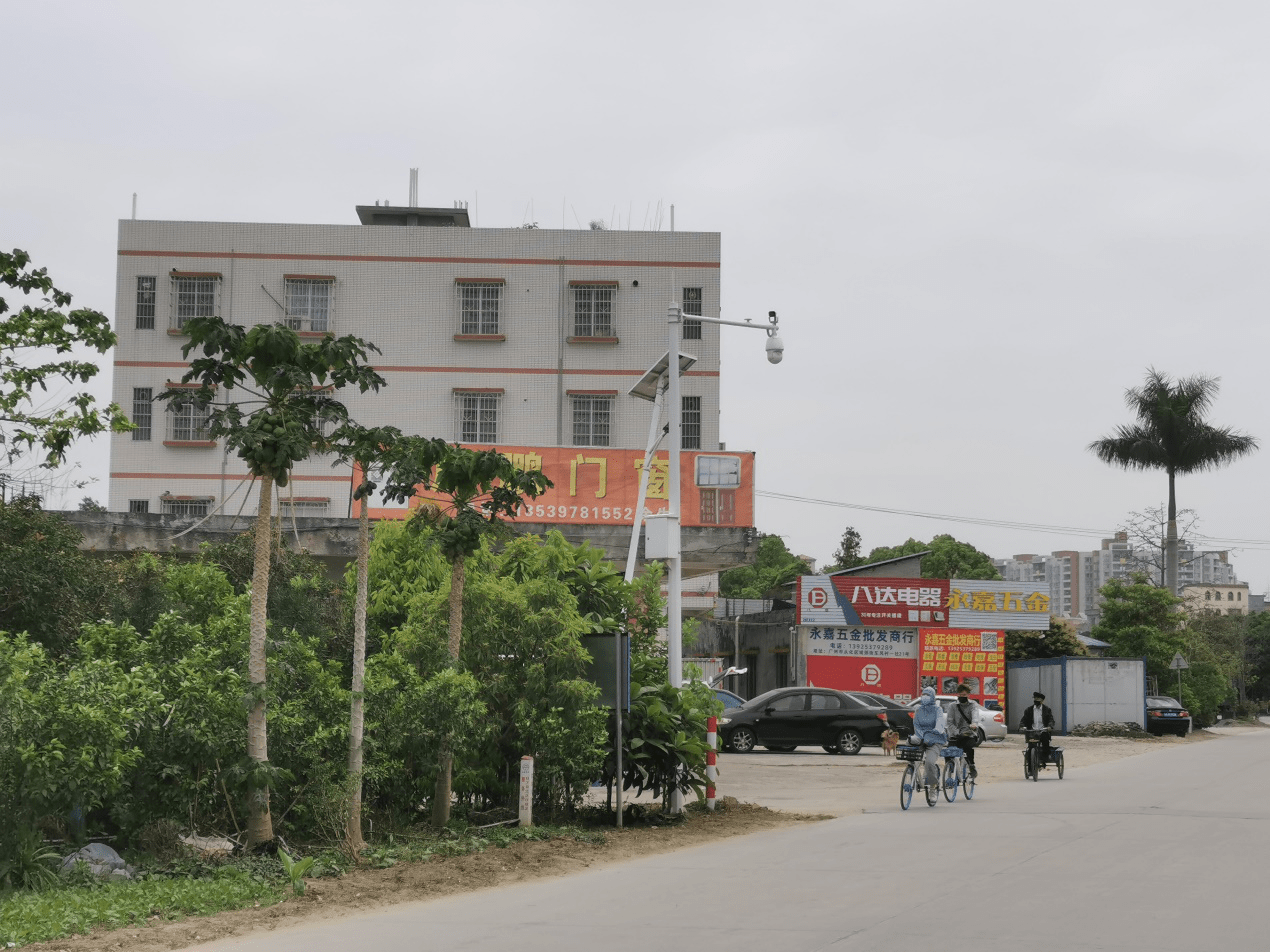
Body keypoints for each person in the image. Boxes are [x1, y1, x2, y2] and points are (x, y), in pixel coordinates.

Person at [910, 686, 948, 793]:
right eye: (924, 695)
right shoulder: (918, 709)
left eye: (928, 695)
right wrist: (921, 736)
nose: (925, 697)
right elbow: (916, 725)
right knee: (912, 756)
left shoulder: (938, 709)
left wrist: (937, 730)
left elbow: (940, 722)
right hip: (922, 738)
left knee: (929, 762)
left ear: (932, 697)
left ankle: (933, 787)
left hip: (935, 739)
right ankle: (912, 774)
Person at [947, 683, 978, 779]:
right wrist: (957, 732)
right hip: (955, 734)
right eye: (960, 695)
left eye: (964, 695)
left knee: (968, 748)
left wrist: (974, 724)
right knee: (948, 752)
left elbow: (975, 716)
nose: (962, 697)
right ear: (957, 695)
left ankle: (971, 766)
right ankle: (950, 770)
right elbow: (950, 722)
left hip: (968, 734)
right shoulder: (952, 706)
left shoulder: (973, 705)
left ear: (968, 695)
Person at [1020, 690, 1056, 768]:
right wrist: (1022, 726)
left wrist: (1049, 726)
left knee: (1045, 743)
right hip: (1032, 732)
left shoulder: (1047, 710)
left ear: (1042, 701)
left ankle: (1044, 759)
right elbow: (1024, 720)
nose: (1036, 702)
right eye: (1035, 700)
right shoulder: (1029, 710)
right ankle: (1030, 768)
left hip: (1043, 731)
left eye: (1038, 700)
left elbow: (1051, 720)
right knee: (1030, 749)